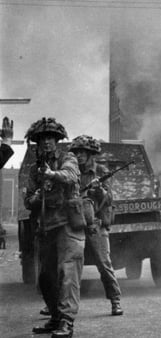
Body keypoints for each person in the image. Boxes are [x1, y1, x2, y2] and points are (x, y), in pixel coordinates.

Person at [23, 118, 83, 337]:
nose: (46, 142)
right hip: (46, 226)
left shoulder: (68, 158)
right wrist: (38, 196)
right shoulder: (34, 170)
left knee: (68, 273)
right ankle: (56, 318)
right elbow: (28, 201)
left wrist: (51, 175)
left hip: (68, 223)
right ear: (37, 143)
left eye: (50, 138)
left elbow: (70, 176)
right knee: (45, 278)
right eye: (42, 139)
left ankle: (67, 322)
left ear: (57, 141)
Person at [70, 135, 123, 316]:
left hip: (96, 223)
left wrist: (99, 190)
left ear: (90, 153)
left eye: (83, 152)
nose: (79, 155)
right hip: (76, 223)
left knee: (104, 263)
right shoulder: (72, 171)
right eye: (77, 152)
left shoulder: (101, 171)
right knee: (68, 266)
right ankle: (56, 304)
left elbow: (109, 199)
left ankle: (115, 300)